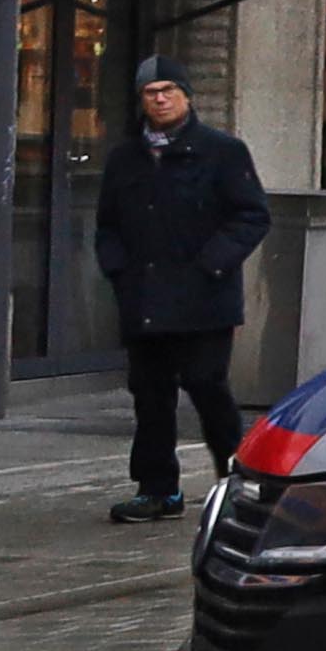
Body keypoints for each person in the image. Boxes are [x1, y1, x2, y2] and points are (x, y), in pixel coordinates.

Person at [93, 63, 270, 525]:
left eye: (168, 90)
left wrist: (212, 263)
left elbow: (251, 216)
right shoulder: (125, 158)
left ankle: (237, 483)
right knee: (150, 397)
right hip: (144, 300)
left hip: (203, 301)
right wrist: (118, 271)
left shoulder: (223, 152)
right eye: (150, 92)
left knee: (208, 389)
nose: (160, 99)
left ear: (187, 96)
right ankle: (156, 489)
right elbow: (107, 225)